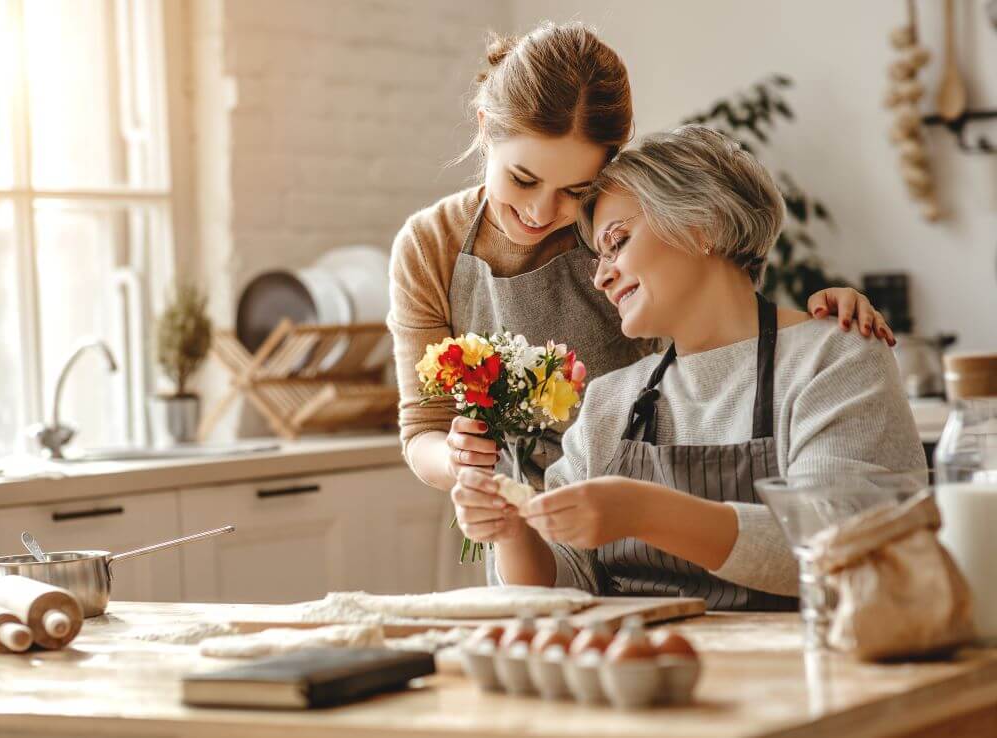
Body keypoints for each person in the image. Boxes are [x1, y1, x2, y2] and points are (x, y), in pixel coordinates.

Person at [387, 22, 894, 576]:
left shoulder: (826, 362)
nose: (539, 212)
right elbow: (424, 427)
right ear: (486, 128)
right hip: (544, 546)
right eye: (523, 179)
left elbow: (720, 329)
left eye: (576, 193)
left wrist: (816, 325)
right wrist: (480, 484)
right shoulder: (431, 248)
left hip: (634, 515)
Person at [455, 125, 925, 608]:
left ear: (703, 224)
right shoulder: (610, 400)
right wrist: (512, 532)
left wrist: (644, 511)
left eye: (617, 242)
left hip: (803, 670)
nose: (600, 276)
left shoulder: (833, 358)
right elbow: (563, 582)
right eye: (598, 255)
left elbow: (843, 545)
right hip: (647, 674)